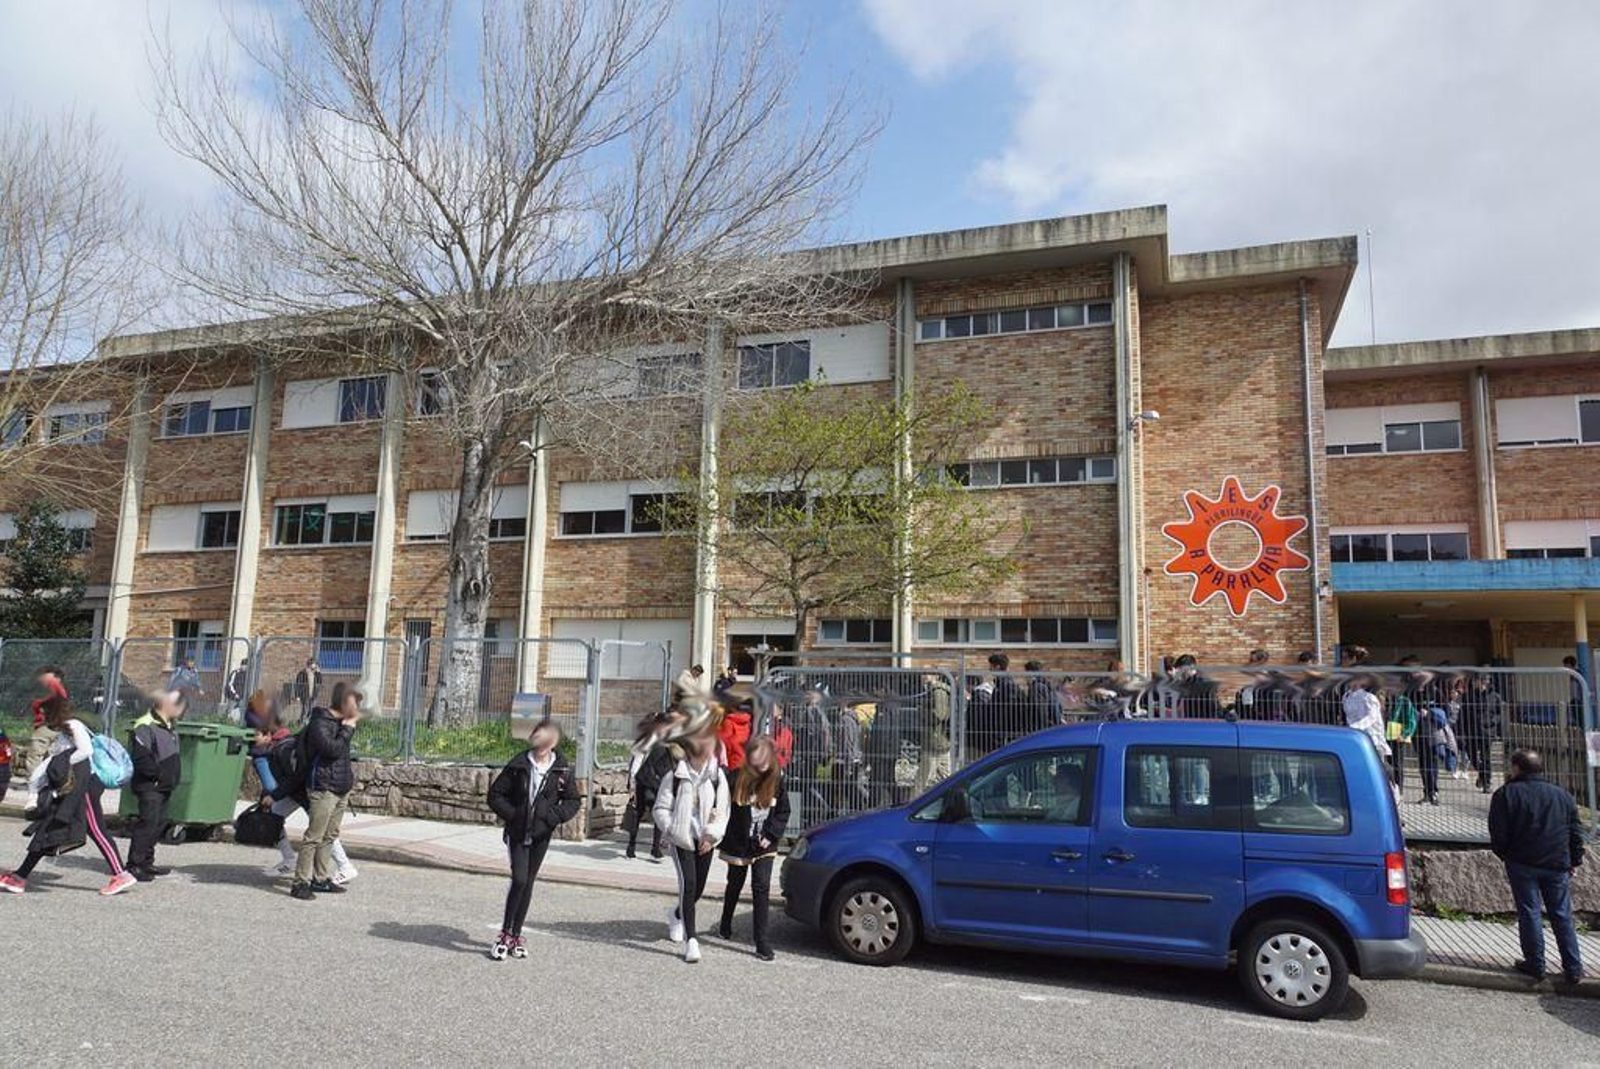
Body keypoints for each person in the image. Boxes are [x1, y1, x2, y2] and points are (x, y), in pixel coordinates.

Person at [1, 695, 135, 895]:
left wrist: (61, 763)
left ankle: (122, 875)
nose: (41, 716)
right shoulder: (63, 730)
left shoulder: (73, 725)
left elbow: (85, 751)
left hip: (86, 786)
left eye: (44, 712)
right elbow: (53, 761)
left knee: (97, 831)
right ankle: (20, 876)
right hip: (75, 785)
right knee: (51, 827)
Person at [486, 718, 582, 961]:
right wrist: (514, 815)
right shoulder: (519, 764)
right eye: (537, 735)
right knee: (518, 879)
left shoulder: (561, 769)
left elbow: (573, 801)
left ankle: (517, 935)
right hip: (518, 833)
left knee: (528, 882)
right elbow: (495, 795)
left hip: (541, 834)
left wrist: (553, 817)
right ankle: (504, 934)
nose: (540, 741)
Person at [1488, 749, 1585, 985]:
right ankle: (1573, 966)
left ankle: (1535, 963)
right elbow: (1575, 831)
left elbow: (1498, 832)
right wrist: (1574, 859)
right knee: (1562, 915)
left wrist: (1506, 855)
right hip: (1556, 863)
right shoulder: (1562, 795)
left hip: (1522, 863)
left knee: (1529, 912)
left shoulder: (1506, 794)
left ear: (1517, 768)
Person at [653, 703, 729, 964]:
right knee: (689, 885)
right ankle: (692, 940)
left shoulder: (717, 776)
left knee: (698, 889)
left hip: (705, 840)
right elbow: (660, 808)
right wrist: (673, 828)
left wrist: (712, 834)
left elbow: (723, 810)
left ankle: (676, 915)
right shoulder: (675, 775)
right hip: (682, 840)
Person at [253, 716, 357, 882]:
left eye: (255, 734)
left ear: (268, 735)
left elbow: (293, 779)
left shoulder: (281, 749)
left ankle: (345, 867)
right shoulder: (275, 748)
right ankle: (289, 860)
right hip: (298, 793)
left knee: (322, 832)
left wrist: (274, 796)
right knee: (272, 817)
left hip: (309, 793)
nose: (252, 738)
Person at [717, 735, 789, 961]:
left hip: (764, 844)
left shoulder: (777, 780)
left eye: (765, 763)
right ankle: (725, 922)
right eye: (756, 764)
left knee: (761, 887)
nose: (761, 768)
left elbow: (783, 812)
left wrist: (771, 835)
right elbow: (718, 800)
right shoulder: (737, 778)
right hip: (740, 843)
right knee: (735, 884)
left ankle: (762, 942)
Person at [290, 682, 360, 900]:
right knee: (314, 836)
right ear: (343, 702)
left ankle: (320, 879)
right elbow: (332, 749)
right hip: (323, 787)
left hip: (341, 787)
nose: (357, 708)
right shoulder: (320, 723)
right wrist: (348, 728)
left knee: (330, 836)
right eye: (354, 703)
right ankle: (300, 882)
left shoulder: (340, 723)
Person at [126, 690, 186, 882]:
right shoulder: (145, 725)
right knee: (147, 824)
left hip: (164, 786)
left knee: (158, 824)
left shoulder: (169, 726)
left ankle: (147, 861)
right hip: (150, 786)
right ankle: (134, 865)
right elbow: (142, 758)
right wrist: (158, 776)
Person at [625, 711, 676, 860]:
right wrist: (632, 784)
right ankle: (632, 845)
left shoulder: (670, 742)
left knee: (658, 813)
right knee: (639, 814)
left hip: (660, 783)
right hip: (645, 783)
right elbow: (637, 762)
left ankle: (654, 848)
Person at [1459, 674, 1502, 793]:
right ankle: (1482, 775)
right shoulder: (1468, 696)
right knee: (1472, 756)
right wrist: (1462, 732)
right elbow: (1463, 714)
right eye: (1477, 681)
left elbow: (1499, 713)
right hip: (1472, 731)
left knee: (1485, 757)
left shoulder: (1495, 696)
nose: (1480, 683)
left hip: (1487, 732)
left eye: (1483, 681)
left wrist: (1492, 721)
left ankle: (1487, 783)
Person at [26, 667, 67, 775]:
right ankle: (42, 780)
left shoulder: (56, 689)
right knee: (46, 756)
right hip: (51, 727)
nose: (43, 678)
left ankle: (34, 782)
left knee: (35, 756)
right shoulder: (55, 692)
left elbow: (39, 704)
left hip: (47, 727)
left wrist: (38, 703)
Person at [916, 672, 952, 790]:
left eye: (928, 674)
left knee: (922, 779)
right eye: (923, 674)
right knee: (946, 779)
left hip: (935, 742)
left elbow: (939, 715)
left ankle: (914, 805)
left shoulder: (938, 691)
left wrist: (921, 712)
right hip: (940, 740)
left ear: (936, 676)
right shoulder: (932, 690)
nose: (924, 676)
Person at [718, 699, 753, 773]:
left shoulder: (728, 723)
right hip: (746, 766)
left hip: (732, 766)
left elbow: (723, 744)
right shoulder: (748, 722)